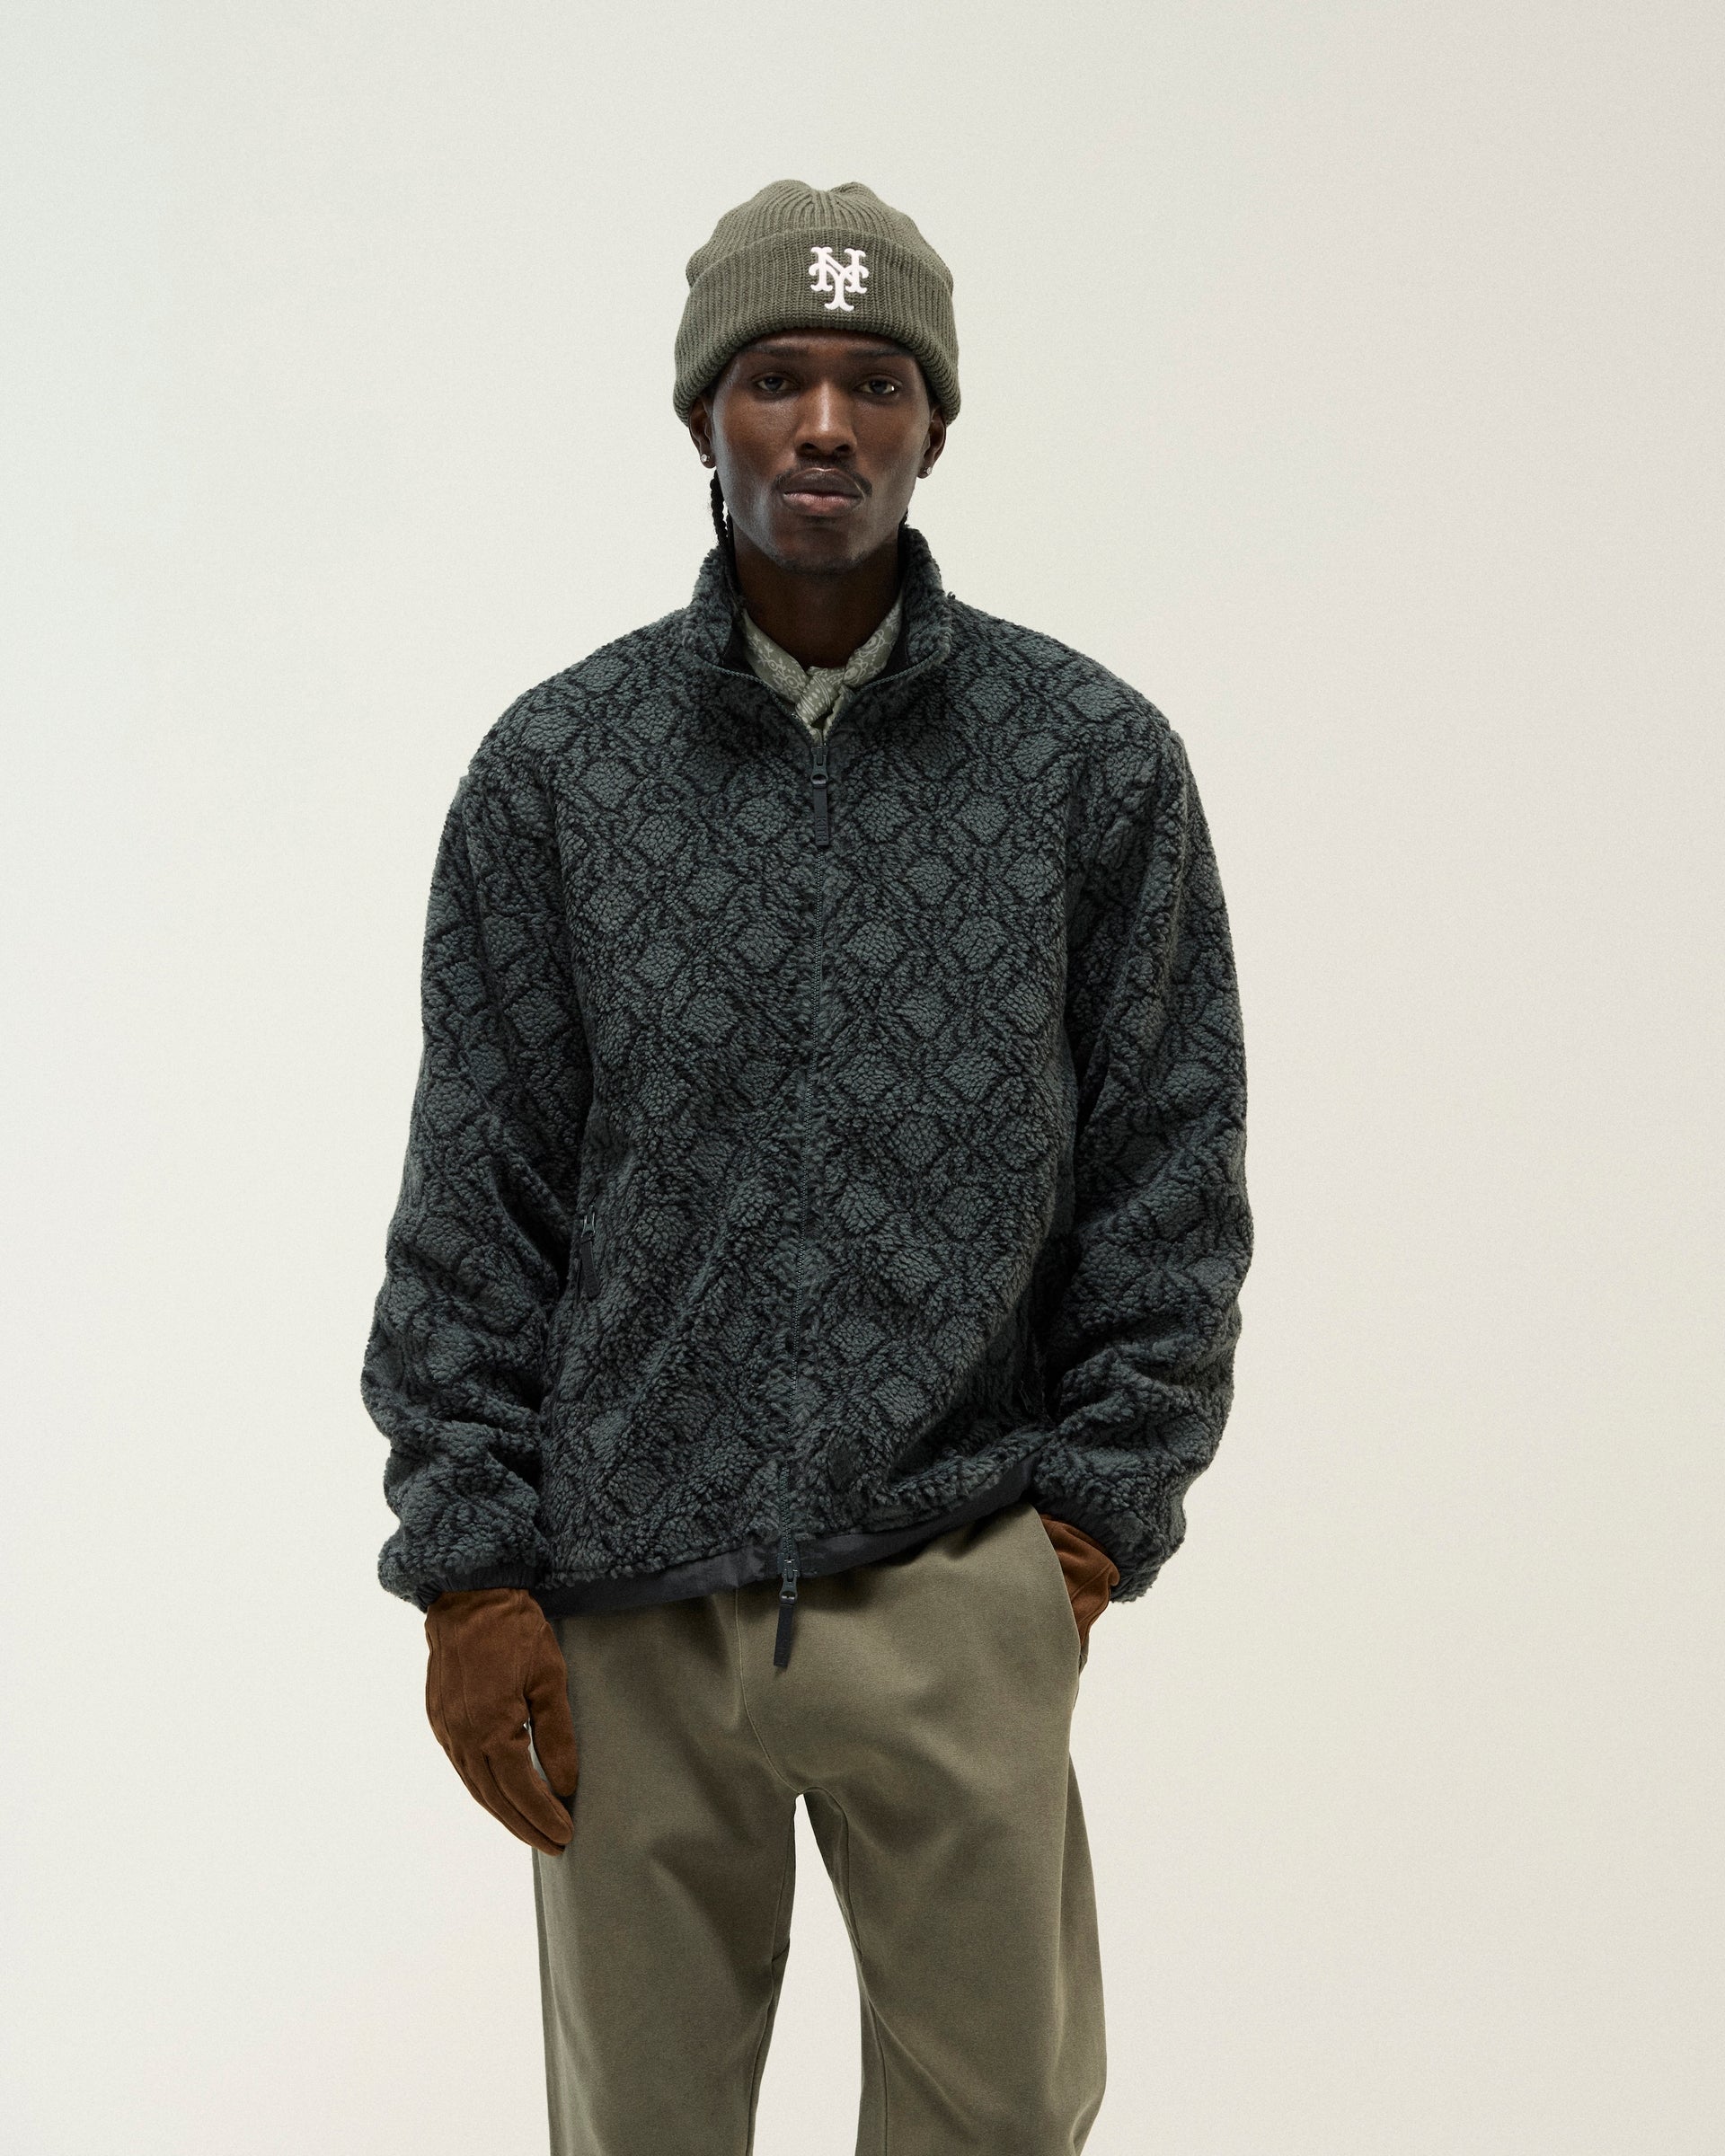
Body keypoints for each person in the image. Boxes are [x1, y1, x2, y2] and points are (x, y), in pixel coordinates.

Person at [362, 178, 1252, 2156]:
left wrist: (1084, 1535)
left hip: (959, 1569)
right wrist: (471, 1578)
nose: (826, 425)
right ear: (704, 417)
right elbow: (476, 1191)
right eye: (777, 378)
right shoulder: (559, 775)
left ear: (937, 423)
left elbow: (1170, 1169)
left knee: (1000, 2117)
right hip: (623, 1605)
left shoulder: (1088, 764)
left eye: (875, 380)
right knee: (640, 2131)